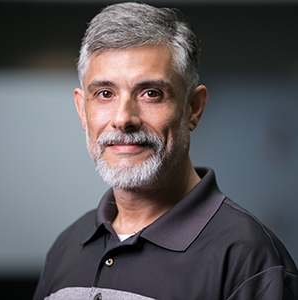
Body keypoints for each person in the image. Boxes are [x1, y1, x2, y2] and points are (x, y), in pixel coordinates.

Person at [33, 2, 298, 299]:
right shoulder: (66, 247)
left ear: (193, 108)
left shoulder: (250, 259)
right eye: (105, 94)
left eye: (151, 93)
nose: (123, 119)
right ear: (82, 110)